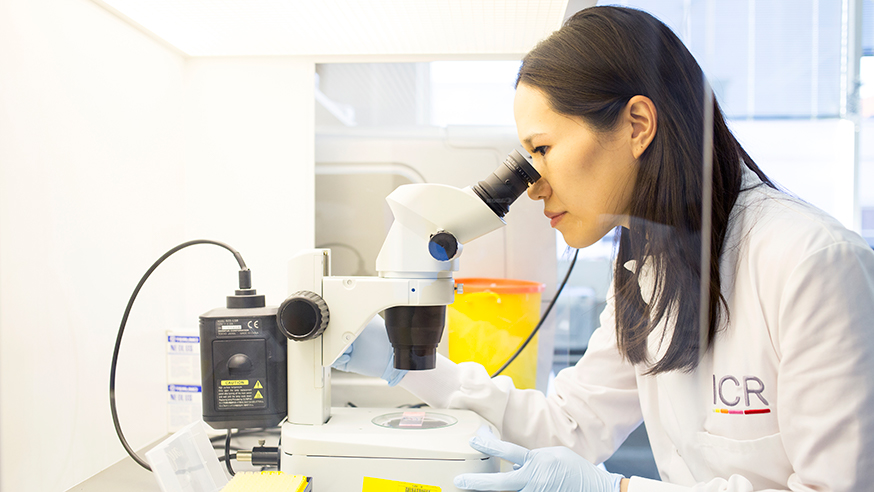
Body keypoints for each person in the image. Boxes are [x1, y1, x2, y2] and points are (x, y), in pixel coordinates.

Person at [333, 6, 874, 492]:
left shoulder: (812, 263)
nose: (531, 185)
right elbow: (568, 428)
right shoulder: (651, 270)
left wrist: (614, 491)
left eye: (542, 149)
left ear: (637, 125)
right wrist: (404, 364)